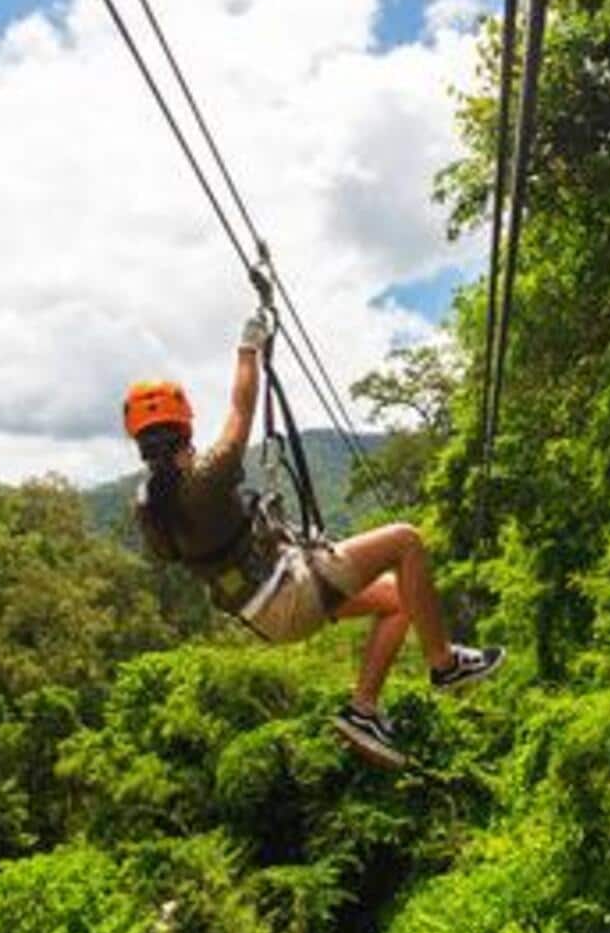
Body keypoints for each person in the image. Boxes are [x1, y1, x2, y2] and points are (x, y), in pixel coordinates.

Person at [123, 311, 504, 767]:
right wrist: (249, 346)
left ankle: (363, 711)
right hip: (291, 592)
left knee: (399, 599)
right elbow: (242, 408)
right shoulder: (205, 479)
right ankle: (444, 664)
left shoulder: (148, 508)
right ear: (185, 428)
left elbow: (180, 551)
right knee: (406, 540)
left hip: (264, 616)